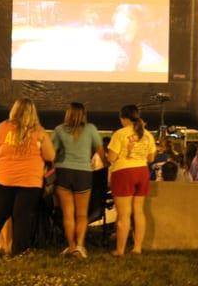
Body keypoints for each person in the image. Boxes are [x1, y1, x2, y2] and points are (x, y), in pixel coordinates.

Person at [0, 98, 55, 258]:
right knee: (23, 215)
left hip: (5, 177)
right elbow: (50, 155)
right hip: (30, 180)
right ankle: (19, 250)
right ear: (32, 112)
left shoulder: (2, 128)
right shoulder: (39, 132)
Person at [51, 102, 102, 258]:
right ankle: (80, 246)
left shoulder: (59, 130)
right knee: (81, 214)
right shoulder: (91, 129)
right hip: (83, 173)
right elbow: (100, 151)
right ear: (84, 114)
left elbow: (52, 153)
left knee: (67, 214)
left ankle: (71, 245)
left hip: (63, 172)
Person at [107, 104, 156, 256]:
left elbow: (112, 158)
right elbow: (151, 157)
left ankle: (120, 250)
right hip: (142, 171)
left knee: (124, 214)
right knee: (139, 211)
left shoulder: (120, 134)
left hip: (124, 172)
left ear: (123, 118)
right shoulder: (147, 134)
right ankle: (137, 247)